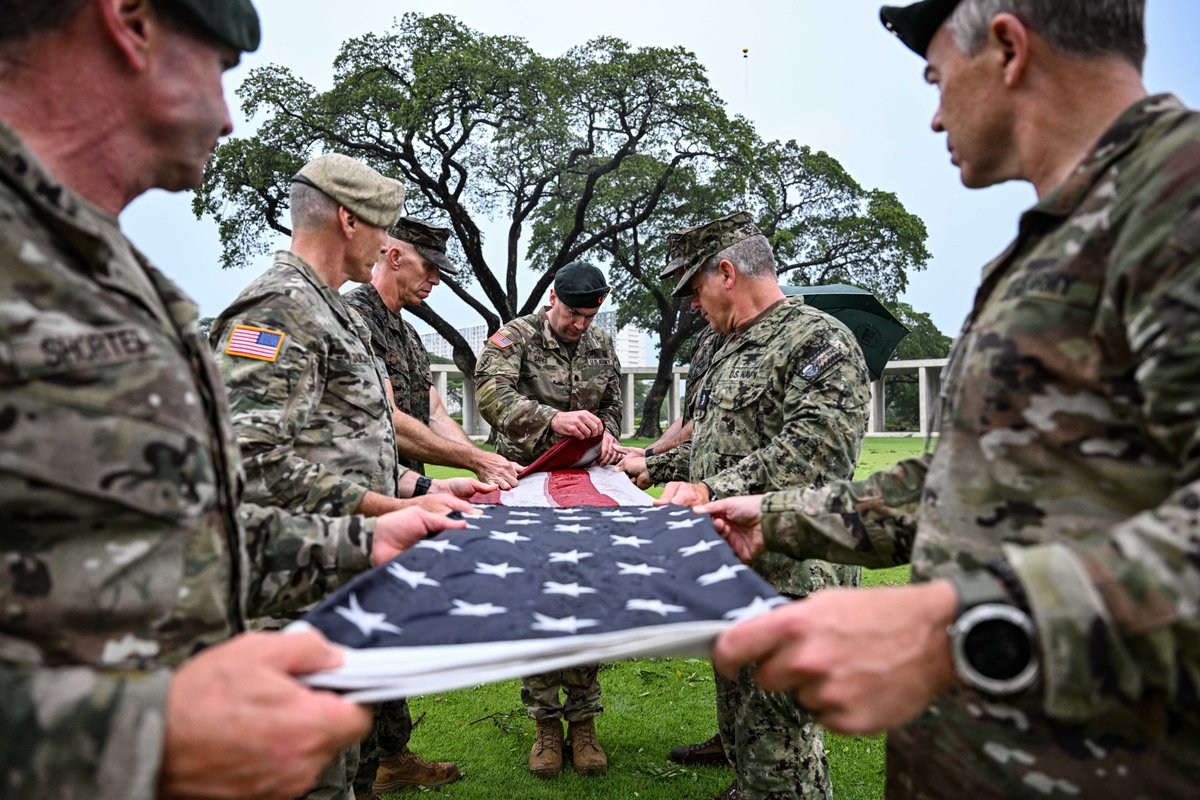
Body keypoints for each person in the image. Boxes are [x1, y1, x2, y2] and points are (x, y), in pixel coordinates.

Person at [701, 1, 1200, 798]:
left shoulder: (1177, 199)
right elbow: (984, 477)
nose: (934, 115)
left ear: (1007, 47)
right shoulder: (1061, 235)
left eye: (936, 80)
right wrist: (782, 516)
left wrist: (959, 631)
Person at [0, 2, 463, 798]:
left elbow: (182, 527)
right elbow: (261, 459)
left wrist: (361, 542)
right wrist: (141, 739)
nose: (225, 115)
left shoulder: (105, 267)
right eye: (219, 67)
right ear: (132, 21)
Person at [211, 155, 485, 798]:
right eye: (385, 228)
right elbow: (248, 458)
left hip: (339, 584)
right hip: (291, 597)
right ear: (348, 220)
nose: (391, 243)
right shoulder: (275, 310)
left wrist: (426, 488)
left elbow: (344, 442)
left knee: (349, 770)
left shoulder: (327, 309)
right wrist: (377, 507)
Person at [645, 212, 870, 800]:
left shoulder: (819, 341)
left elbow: (813, 455)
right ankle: (752, 786)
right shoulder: (725, 346)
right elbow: (714, 443)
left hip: (794, 573)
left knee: (781, 736)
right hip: (735, 562)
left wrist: (711, 493)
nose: (693, 305)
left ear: (726, 273)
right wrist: (647, 465)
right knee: (743, 716)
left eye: (694, 289)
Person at [473, 260, 623, 778]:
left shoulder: (602, 344)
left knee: (582, 594)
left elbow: (614, 406)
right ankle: (544, 723)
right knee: (537, 596)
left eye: (590, 315)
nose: (581, 325)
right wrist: (551, 419)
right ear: (554, 297)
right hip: (524, 485)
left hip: (584, 490)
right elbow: (490, 395)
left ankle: (583, 722)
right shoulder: (514, 338)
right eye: (574, 314)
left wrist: (608, 434)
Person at [346, 217, 521, 490]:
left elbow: (435, 413)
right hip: (363, 496)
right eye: (429, 267)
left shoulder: (409, 334)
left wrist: (487, 461)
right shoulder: (354, 316)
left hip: (408, 493)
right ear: (395, 257)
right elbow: (386, 418)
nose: (436, 280)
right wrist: (476, 460)